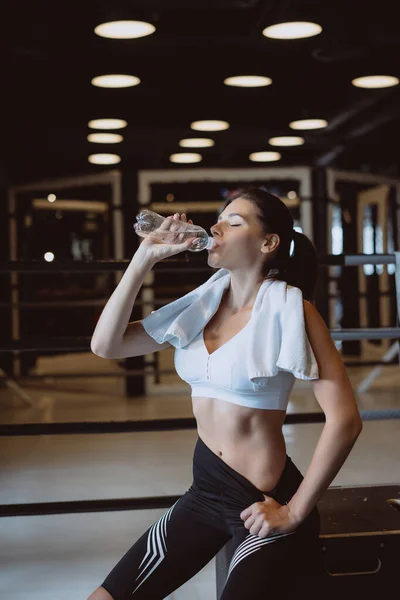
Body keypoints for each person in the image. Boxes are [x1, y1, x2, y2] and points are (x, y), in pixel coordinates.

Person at [89, 187, 363, 600]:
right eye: (218, 218)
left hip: (261, 503)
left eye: (234, 222)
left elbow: (345, 420)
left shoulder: (292, 310)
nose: (215, 227)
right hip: (204, 492)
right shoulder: (200, 305)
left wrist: (294, 511)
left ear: (268, 243)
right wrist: (143, 259)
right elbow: (106, 345)